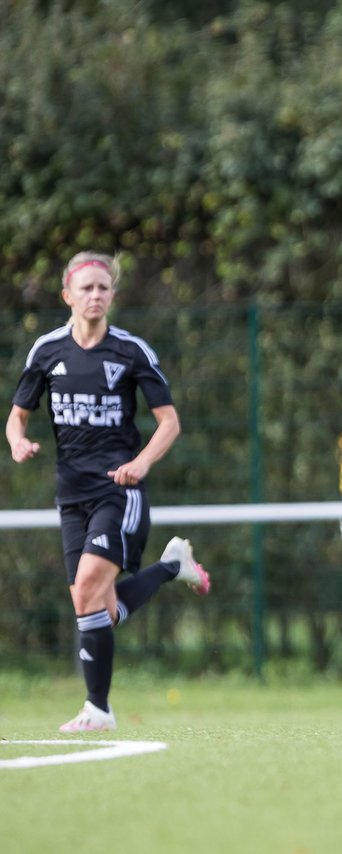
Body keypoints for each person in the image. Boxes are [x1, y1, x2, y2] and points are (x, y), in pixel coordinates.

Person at [7, 251, 210, 733]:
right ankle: (169, 568)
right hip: (70, 495)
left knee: (88, 592)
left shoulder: (131, 352)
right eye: (86, 289)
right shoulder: (47, 352)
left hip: (119, 492)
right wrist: (17, 441)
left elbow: (169, 422)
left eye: (103, 288)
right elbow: (18, 414)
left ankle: (98, 710)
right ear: (67, 296)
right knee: (96, 607)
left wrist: (139, 463)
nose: (95, 296)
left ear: (112, 296)